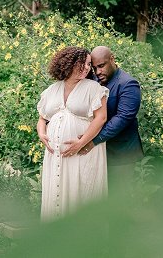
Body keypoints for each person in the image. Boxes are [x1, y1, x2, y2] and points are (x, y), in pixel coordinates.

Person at [36, 46, 109, 221]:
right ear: (68, 63)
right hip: (55, 155)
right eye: (82, 63)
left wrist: (81, 142)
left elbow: (101, 118)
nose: (86, 68)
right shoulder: (51, 90)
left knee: (82, 191)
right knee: (56, 192)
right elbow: (41, 119)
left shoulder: (94, 88)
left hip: (83, 152)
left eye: (89, 64)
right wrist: (41, 134)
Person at [69, 45, 143, 192]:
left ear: (112, 59)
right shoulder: (95, 80)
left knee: (120, 196)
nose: (98, 72)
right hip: (98, 152)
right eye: (94, 68)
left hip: (121, 153)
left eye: (101, 66)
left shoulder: (128, 84)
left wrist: (93, 141)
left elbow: (122, 118)